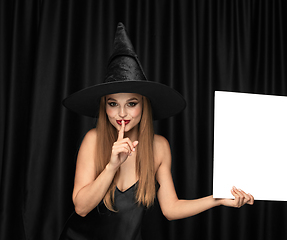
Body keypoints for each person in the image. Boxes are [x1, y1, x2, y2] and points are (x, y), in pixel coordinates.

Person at [60, 22, 254, 240]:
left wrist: (217, 199)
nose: (121, 113)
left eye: (131, 104)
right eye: (113, 104)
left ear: (144, 106)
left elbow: (170, 209)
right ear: (104, 107)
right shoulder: (93, 140)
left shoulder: (159, 146)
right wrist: (112, 165)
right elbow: (81, 208)